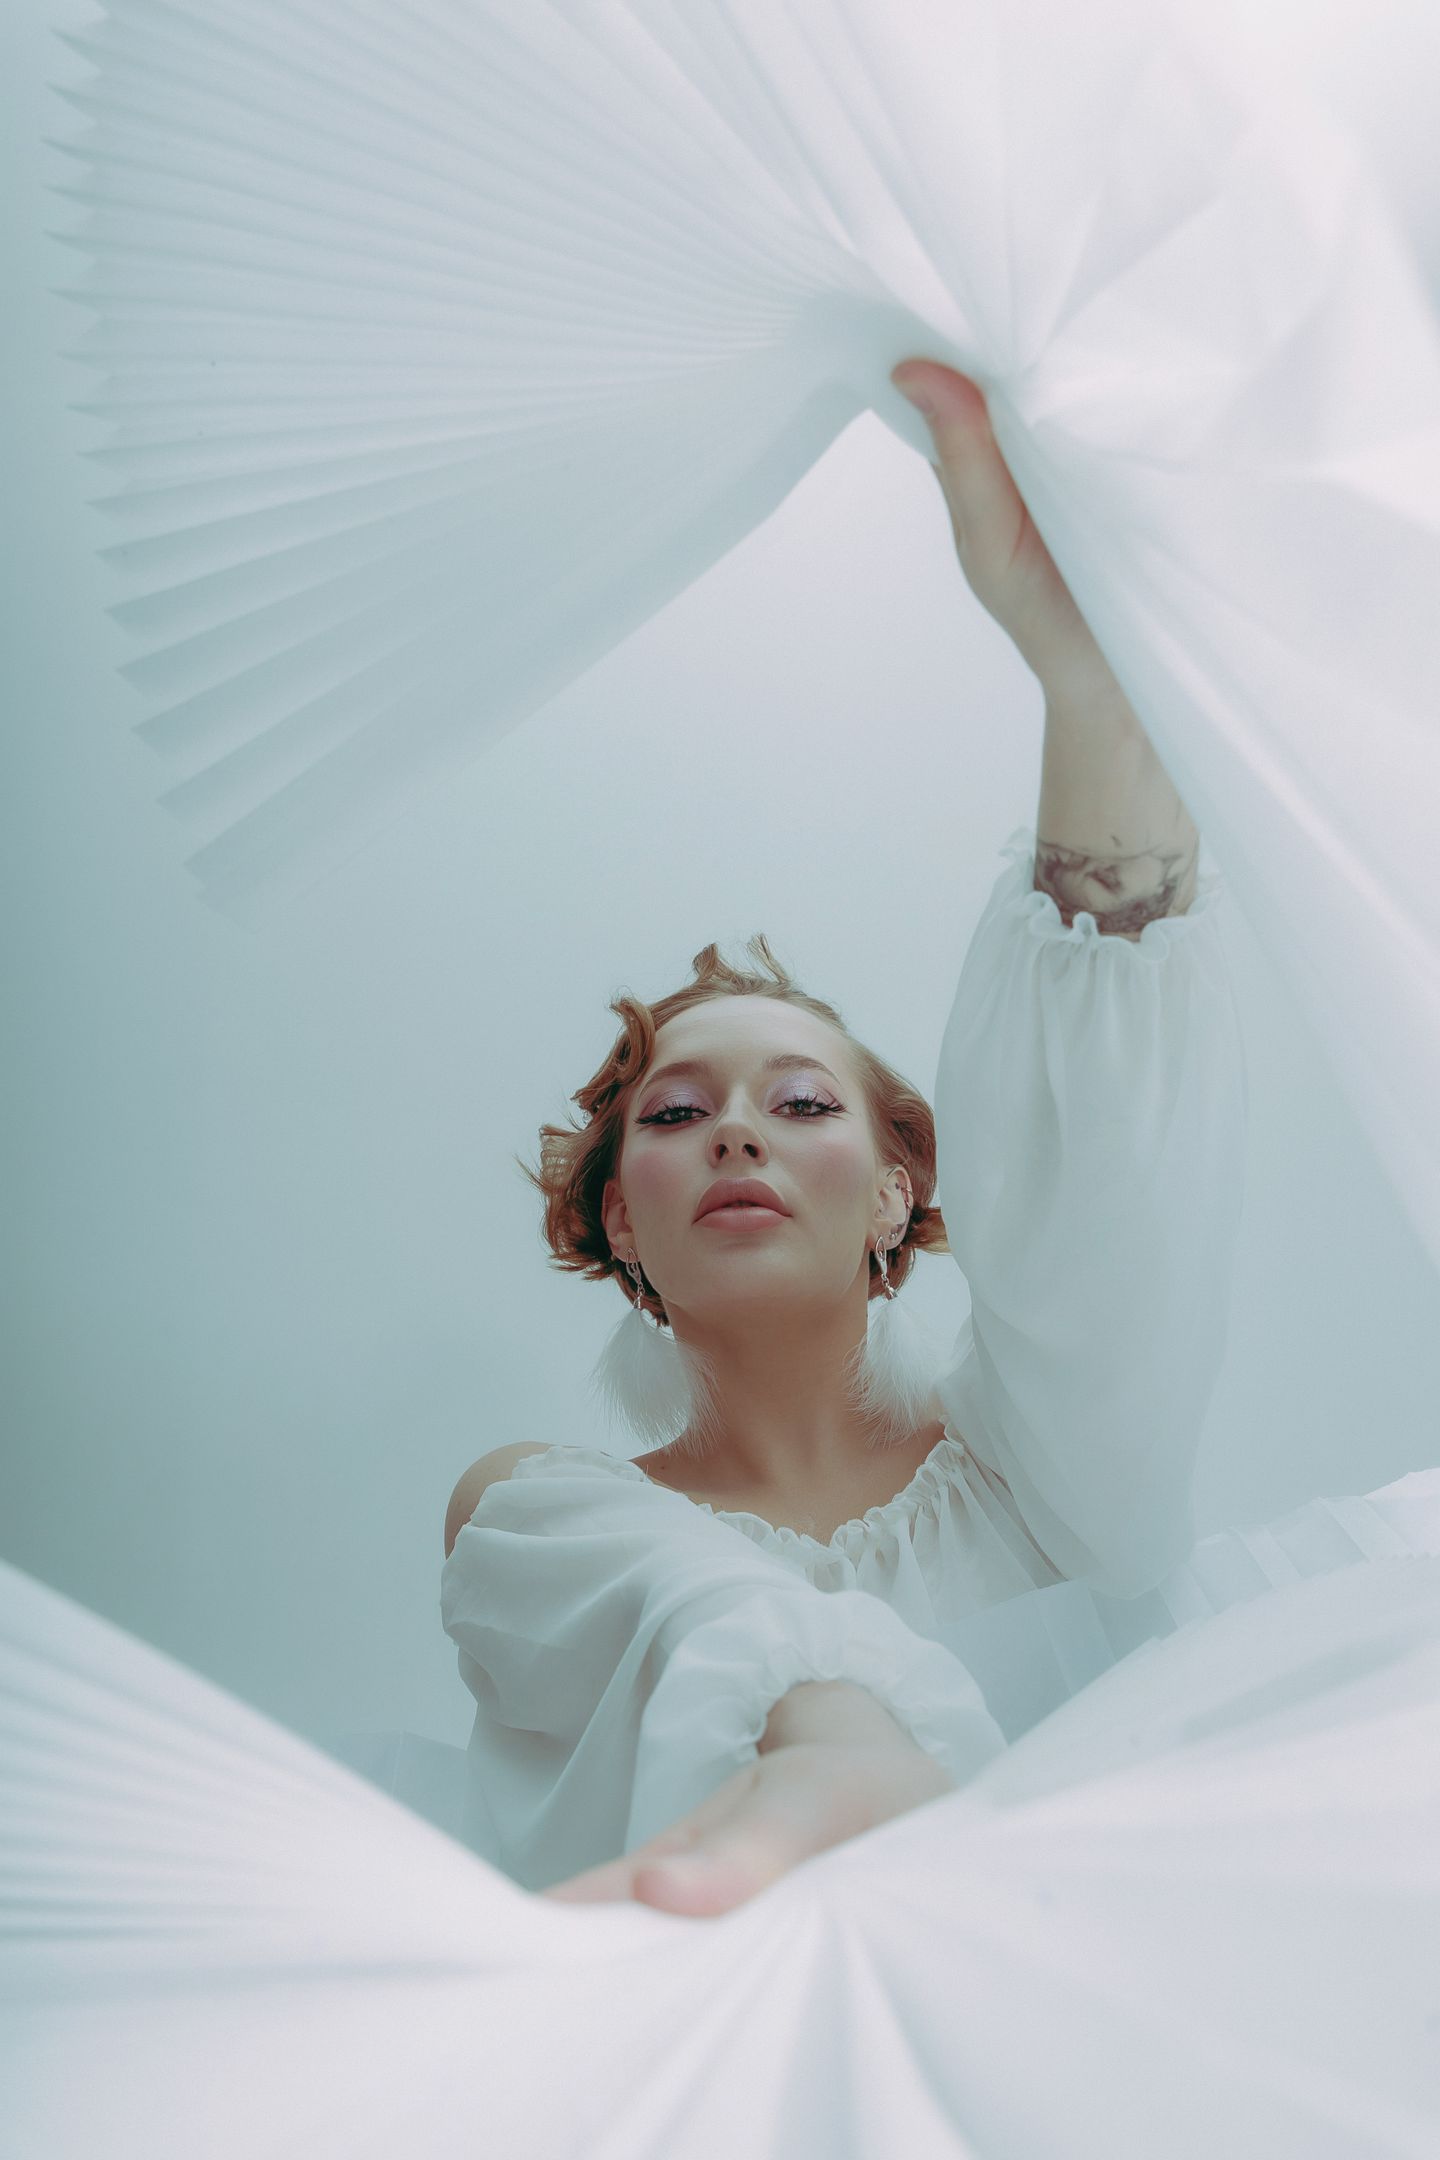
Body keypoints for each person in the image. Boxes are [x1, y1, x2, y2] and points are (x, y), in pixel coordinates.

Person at [440, 361, 1230, 1920]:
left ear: (894, 1193)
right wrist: (833, 1735)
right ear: (617, 1222)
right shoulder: (541, 1520)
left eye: (801, 1103)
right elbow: (673, 1601)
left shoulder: (1047, 1471)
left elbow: (1108, 1213)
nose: (736, 1129)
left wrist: (1087, 683)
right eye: (678, 1114)